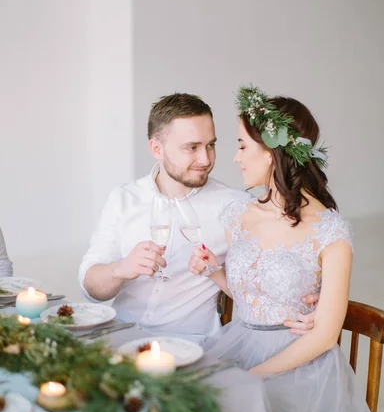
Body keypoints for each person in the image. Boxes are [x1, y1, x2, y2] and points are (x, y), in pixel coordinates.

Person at [189, 86, 384, 412]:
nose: (235, 157)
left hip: (301, 366)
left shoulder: (330, 230)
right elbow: (253, 295)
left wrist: (251, 378)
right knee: (194, 410)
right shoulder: (238, 214)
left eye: (242, 145)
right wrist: (215, 273)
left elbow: (323, 333)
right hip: (239, 342)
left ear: (272, 152)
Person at [79, 93, 317, 339]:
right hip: (120, 337)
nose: (205, 159)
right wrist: (121, 268)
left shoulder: (236, 206)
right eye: (192, 148)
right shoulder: (123, 199)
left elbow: (287, 267)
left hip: (194, 346)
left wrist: (316, 302)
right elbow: (90, 287)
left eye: (211, 145)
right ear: (156, 148)